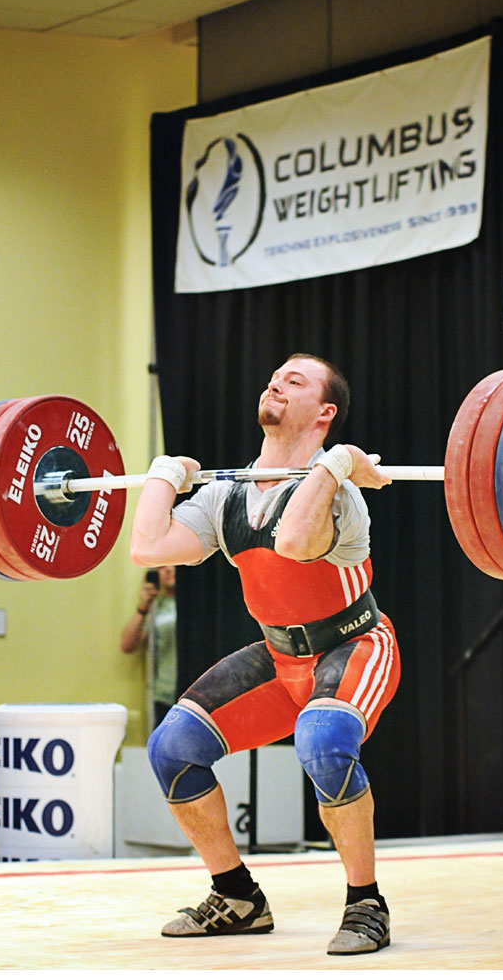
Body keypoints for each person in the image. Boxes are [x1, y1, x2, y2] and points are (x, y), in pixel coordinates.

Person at [129, 353, 400, 955]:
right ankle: (237, 897)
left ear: (323, 412)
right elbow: (148, 548)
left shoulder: (340, 497)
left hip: (353, 645)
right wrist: (161, 475)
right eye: (275, 376)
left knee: (324, 744)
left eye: (295, 381)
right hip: (281, 662)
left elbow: (297, 541)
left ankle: (366, 904)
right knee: (173, 749)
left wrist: (336, 465)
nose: (275, 382)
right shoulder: (228, 494)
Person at [120, 565, 177, 729]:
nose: (168, 570)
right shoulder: (155, 608)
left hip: (196, 691)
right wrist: (143, 606)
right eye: (161, 567)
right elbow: (128, 645)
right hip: (163, 695)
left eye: (173, 564)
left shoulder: (201, 605)